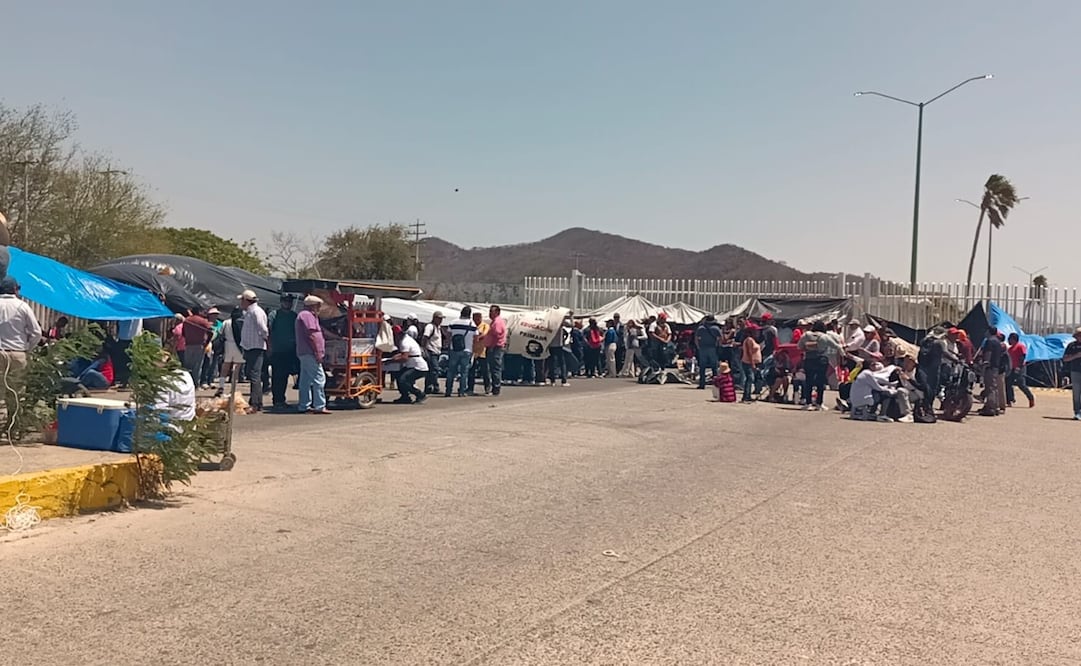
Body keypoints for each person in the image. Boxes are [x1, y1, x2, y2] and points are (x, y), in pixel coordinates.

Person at [0, 277, 42, 434]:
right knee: (16, 393)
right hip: (18, 354)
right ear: (15, 289)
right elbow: (36, 332)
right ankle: (13, 428)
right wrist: (27, 348)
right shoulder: (22, 306)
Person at [295, 295, 330, 414]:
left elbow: (320, 332)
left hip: (305, 352)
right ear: (313, 306)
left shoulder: (308, 316)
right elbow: (312, 335)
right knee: (319, 378)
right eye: (318, 305)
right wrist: (318, 352)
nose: (319, 308)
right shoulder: (307, 315)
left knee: (305, 380)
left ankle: (304, 405)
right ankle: (320, 405)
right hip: (310, 352)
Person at [238, 289, 269, 414]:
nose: (240, 302)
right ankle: (256, 402)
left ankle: (255, 404)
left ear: (246, 300)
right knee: (253, 375)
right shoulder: (249, 312)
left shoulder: (256, 312)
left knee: (255, 376)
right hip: (250, 347)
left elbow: (263, 329)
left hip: (256, 347)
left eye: (242, 300)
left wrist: (265, 340)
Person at [268, 295, 299, 411]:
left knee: (286, 376)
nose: (288, 303)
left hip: (291, 351)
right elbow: (268, 330)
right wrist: (269, 347)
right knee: (277, 376)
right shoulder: (274, 315)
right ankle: (277, 400)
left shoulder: (294, 316)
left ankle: (282, 400)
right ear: (281, 302)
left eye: (290, 301)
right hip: (278, 351)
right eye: (285, 301)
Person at [917, 326, 954, 413]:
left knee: (925, 387)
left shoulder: (925, 340)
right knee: (932, 388)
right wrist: (956, 360)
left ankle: (924, 406)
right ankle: (929, 407)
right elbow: (945, 352)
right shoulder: (939, 342)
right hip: (934, 368)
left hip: (923, 367)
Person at [797, 321, 830, 411]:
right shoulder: (824, 336)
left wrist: (808, 348)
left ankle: (808, 403)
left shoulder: (806, 335)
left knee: (809, 381)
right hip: (822, 359)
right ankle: (819, 403)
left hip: (809, 359)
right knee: (821, 381)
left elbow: (799, 346)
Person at [445, 306, 477, 397]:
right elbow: (476, 338)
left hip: (454, 349)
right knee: (464, 372)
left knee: (451, 371)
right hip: (467, 350)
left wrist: (449, 346)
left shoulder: (453, 322)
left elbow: (448, 336)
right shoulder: (472, 324)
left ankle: (448, 390)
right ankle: (462, 391)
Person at [392, 326, 428, 405]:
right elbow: (406, 354)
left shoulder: (405, 342)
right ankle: (405, 396)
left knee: (403, 379)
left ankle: (419, 394)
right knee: (398, 375)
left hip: (419, 367)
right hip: (412, 365)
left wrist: (393, 361)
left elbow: (404, 357)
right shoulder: (406, 339)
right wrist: (395, 357)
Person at [976, 327, 1006, 417]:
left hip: (990, 367)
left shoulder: (989, 341)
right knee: (994, 387)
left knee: (989, 388)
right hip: (996, 367)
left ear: (988, 331)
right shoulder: (998, 342)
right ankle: (995, 406)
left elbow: (988, 353)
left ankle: (990, 408)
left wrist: (985, 363)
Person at [216, 308, 246, 398]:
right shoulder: (242, 322)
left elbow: (220, 333)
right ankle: (233, 388)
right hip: (239, 346)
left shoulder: (226, 322)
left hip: (228, 345)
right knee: (237, 367)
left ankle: (221, 386)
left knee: (225, 366)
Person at [180, 308, 212, 386]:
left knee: (187, 366)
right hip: (199, 345)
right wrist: (206, 343)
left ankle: (187, 384)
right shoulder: (202, 321)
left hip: (188, 345)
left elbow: (183, 333)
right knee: (197, 366)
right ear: (199, 312)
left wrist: (188, 337)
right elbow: (211, 332)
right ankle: (195, 384)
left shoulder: (187, 320)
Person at [1005, 332, 1035, 409]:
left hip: (1020, 368)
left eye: (1010, 339)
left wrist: (1019, 367)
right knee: (1008, 383)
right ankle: (1010, 399)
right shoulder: (1010, 349)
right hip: (1012, 368)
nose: (1008, 340)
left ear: (1014, 339)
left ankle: (1030, 397)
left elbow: (1022, 356)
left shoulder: (1020, 346)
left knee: (1021, 384)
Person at [483, 305, 507, 396]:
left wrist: (492, 346)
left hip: (495, 348)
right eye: (489, 311)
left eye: (491, 311)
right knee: (493, 368)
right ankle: (495, 388)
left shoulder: (497, 322)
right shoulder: (495, 321)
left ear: (497, 312)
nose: (490, 313)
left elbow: (497, 335)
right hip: (494, 347)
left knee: (495, 368)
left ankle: (496, 389)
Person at [695, 315, 722, 390]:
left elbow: (696, 339)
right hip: (712, 348)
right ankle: (716, 384)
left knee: (702, 367)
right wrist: (719, 346)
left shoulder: (700, 328)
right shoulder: (716, 328)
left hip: (703, 348)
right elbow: (720, 338)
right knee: (714, 367)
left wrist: (698, 347)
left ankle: (702, 384)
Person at [114, 318, 143, 387]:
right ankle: (125, 381)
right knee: (125, 362)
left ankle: (129, 381)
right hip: (125, 336)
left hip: (132, 337)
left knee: (130, 362)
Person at [421, 312, 444, 395]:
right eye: (439, 318)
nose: (440, 320)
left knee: (431, 370)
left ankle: (428, 387)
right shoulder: (430, 327)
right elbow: (425, 337)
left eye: (441, 319)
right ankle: (435, 387)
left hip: (436, 351)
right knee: (435, 369)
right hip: (431, 351)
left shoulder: (438, 328)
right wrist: (424, 349)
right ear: (434, 318)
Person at [469, 310, 491, 395]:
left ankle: (487, 387)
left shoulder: (485, 325)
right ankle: (470, 388)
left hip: (482, 351)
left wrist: (478, 337)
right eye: (475, 318)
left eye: (478, 318)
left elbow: (485, 334)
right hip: (473, 351)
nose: (476, 320)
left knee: (485, 370)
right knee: (471, 370)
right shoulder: (471, 325)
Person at [200, 309, 223, 389]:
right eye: (213, 314)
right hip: (207, 345)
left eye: (216, 314)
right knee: (206, 363)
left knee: (214, 364)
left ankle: (211, 380)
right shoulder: (206, 323)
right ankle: (204, 381)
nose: (215, 316)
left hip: (217, 346)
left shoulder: (220, 324)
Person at [739, 323, 761, 403]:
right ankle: (746, 396)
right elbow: (749, 352)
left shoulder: (753, 340)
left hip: (751, 362)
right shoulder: (749, 340)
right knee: (749, 378)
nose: (757, 332)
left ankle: (748, 395)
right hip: (748, 362)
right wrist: (752, 364)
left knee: (751, 379)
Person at [1063, 327, 1081, 420]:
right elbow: (1065, 358)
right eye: (1078, 335)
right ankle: (1077, 412)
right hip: (1075, 371)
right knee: (1076, 393)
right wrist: (1076, 356)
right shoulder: (1071, 346)